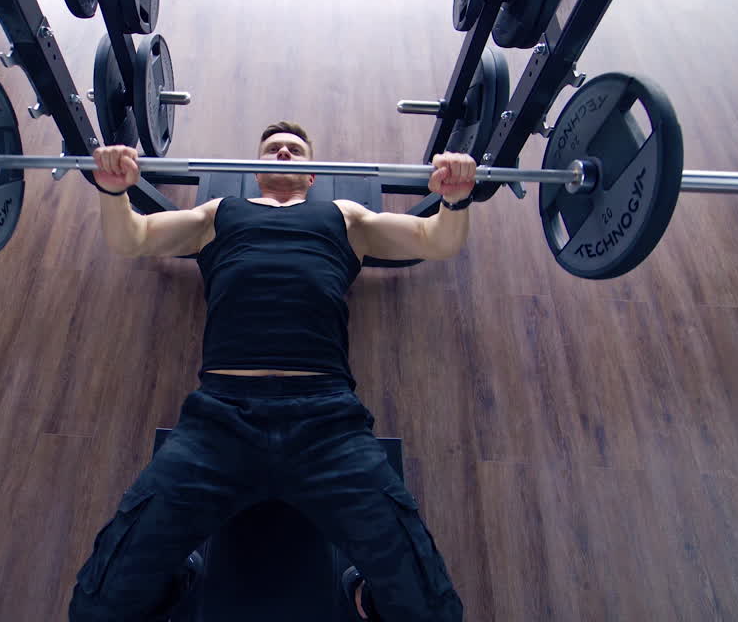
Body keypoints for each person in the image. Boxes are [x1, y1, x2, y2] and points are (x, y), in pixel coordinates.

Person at [67, 121, 473, 622]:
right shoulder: (219, 213)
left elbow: (434, 240)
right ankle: (174, 577)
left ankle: (366, 595)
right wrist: (113, 193)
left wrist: (455, 200)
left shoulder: (345, 217)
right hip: (220, 423)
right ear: (256, 170)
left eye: (295, 149)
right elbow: (135, 237)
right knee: (97, 608)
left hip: (327, 426)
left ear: (312, 173)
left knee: (433, 612)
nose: (283, 152)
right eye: (272, 148)